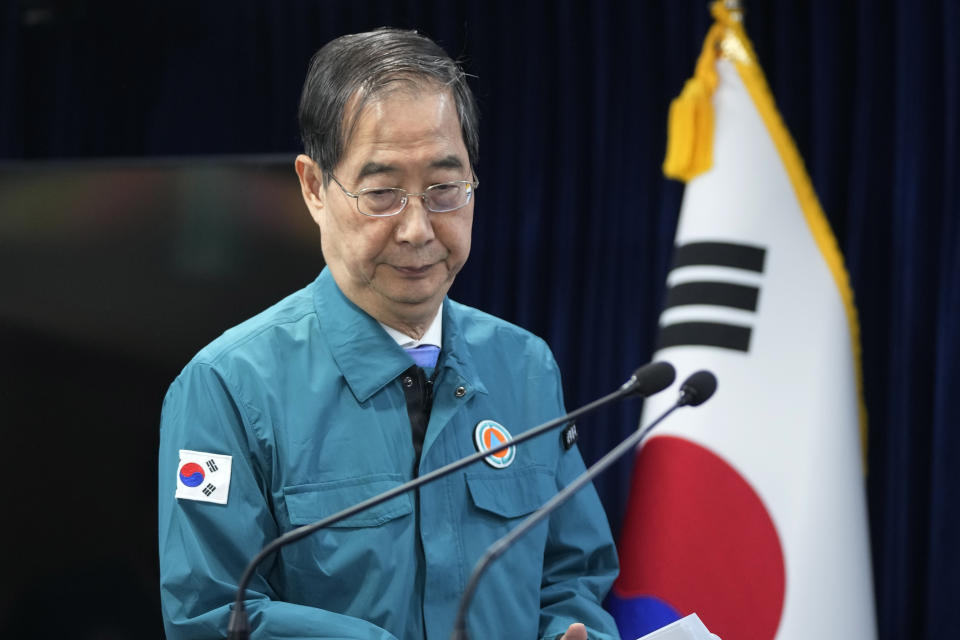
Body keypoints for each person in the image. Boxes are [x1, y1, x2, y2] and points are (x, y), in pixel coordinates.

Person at [158, 27, 621, 640]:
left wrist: (572, 627)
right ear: (314, 187)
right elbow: (210, 614)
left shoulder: (523, 364)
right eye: (382, 193)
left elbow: (573, 572)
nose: (417, 229)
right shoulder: (228, 387)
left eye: (444, 189)